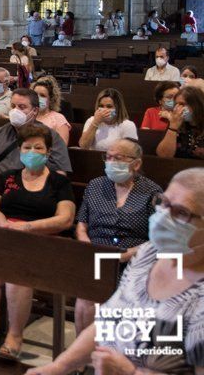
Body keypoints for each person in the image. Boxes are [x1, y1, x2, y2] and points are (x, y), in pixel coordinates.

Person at [26, 168, 204, 375]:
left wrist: (129, 372)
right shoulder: (150, 253)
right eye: (164, 203)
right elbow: (108, 322)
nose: (165, 216)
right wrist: (59, 366)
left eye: (181, 212)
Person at [0, 123, 76, 359]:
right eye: (27, 147)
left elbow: (65, 219)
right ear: (20, 150)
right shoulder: (8, 177)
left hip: (41, 241)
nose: (33, 152)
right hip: (6, 236)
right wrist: (5, 225)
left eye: (39, 148)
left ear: (48, 152)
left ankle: (15, 336)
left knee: (17, 278)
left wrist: (27, 227)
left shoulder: (59, 182)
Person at [72, 138, 162, 336]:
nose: (111, 162)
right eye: (108, 157)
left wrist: (128, 254)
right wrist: (89, 247)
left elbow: (161, 238)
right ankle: (85, 354)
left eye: (118, 158)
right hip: (96, 255)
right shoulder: (95, 186)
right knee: (87, 296)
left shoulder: (152, 192)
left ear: (136, 164)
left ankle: (119, 353)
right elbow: (81, 224)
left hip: (134, 258)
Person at [0, 88, 72, 174]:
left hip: (35, 186)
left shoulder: (51, 136)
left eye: (22, 107)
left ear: (35, 111)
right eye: (13, 106)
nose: (15, 111)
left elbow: (60, 172)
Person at [157, 85, 204, 159]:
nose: (177, 109)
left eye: (182, 104)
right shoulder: (176, 123)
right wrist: (173, 127)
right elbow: (164, 156)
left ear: (196, 105)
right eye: (176, 105)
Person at [31, 75, 71, 144]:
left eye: (42, 95)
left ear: (51, 99)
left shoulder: (59, 119)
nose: (37, 98)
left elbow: (61, 148)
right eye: (35, 94)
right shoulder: (28, 115)